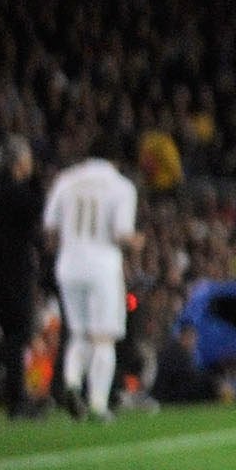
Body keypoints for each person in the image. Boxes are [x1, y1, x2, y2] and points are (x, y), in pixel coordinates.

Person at [41, 142, 140, 422]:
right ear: (117, 160)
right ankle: (98, 403)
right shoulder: (121, 187)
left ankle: (72, 383)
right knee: (104, 337)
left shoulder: (66, 180)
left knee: (78, 333)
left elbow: (50, 227)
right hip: (102, 266)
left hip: (69, 265)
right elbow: (121, 232)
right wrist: (137, 241)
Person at [0, 138, 49, 417]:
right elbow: (38, 207)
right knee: (18, 334)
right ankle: (10, 394)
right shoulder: (17, 192)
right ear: (20, 163)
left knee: (11, 334)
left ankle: (18, 399)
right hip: (13, 271)